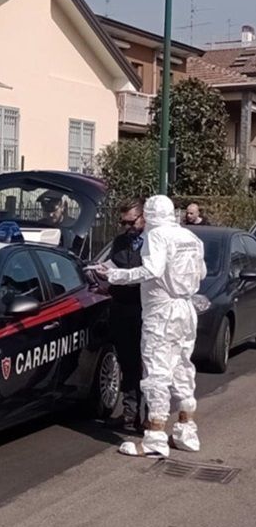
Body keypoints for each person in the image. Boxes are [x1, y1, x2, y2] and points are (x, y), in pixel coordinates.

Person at [92, 195, 207, 458]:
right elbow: (200, 273)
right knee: (182, 368)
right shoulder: (190, 238)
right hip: (185, 309)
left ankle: (155, 437)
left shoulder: (157, 236)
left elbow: (152, 270)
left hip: (162, 310)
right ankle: (186, 430)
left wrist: (116, 275)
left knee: (156, 372)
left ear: (150, 215)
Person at [106, 198, 147, 434]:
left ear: (143, 217)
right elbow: (114, 266)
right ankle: (130, 413)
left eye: (131, 222)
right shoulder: (121, 241)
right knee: (128, 363)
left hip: (145, 309)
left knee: (147, 365)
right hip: (122, 307)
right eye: (123, 223)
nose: (127, 228)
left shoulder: (153, 242)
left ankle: (150, 417)